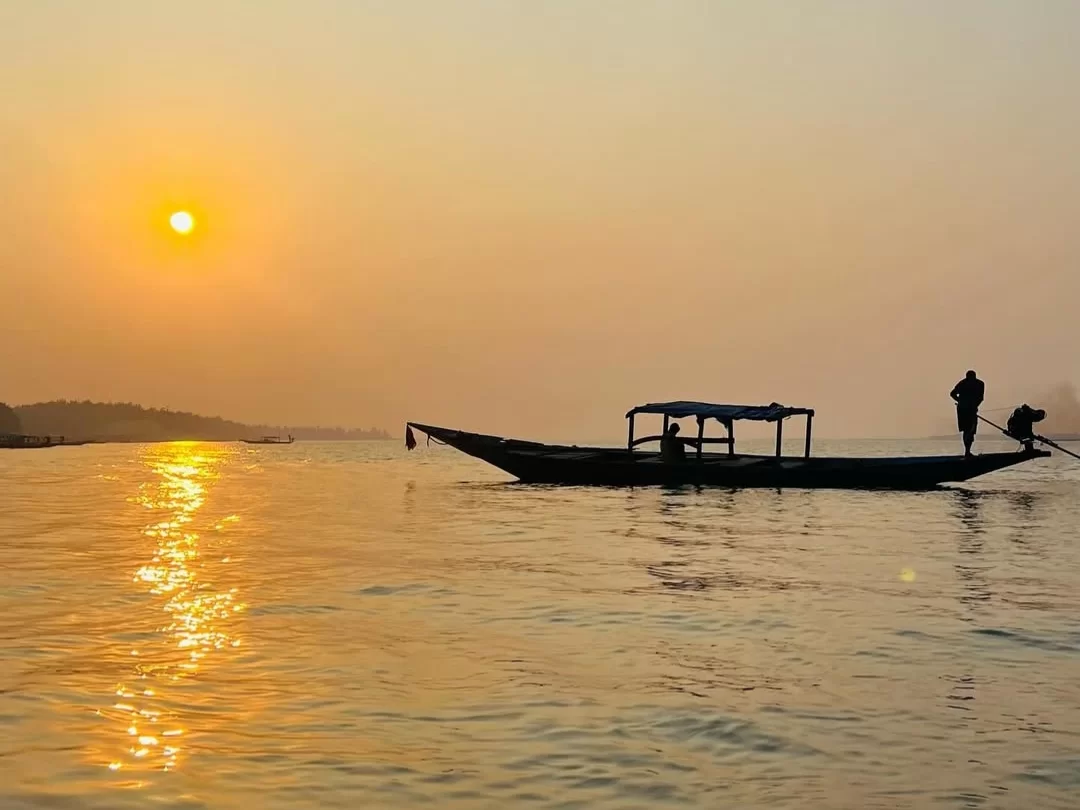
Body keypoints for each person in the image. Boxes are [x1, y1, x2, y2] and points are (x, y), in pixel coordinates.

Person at [950, 370, 985, 458]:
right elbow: (952, 394)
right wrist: (961, 402)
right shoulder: (964, 383)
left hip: (967, 409)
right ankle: (967, 452)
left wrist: (973, 405)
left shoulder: (979, 384)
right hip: (964, 410)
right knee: (968, 430)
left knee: (969, 430)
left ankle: (967, 451)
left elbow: (981, 398)